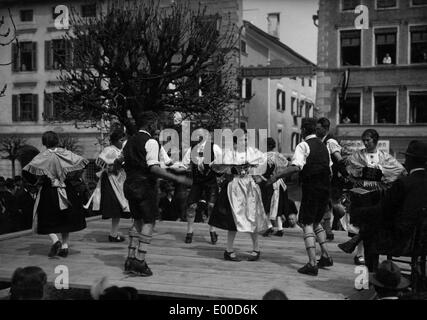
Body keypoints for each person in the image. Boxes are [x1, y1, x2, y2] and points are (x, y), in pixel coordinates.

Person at [120, 111, 190, 277]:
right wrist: (176, 178)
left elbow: (119, 161)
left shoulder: (128, 141)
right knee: (149, 221)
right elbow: (153, 167)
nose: (159, 129)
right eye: (157, 125)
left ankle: (130, 259)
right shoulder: (151, 141)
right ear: (150, 124)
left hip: (129, 184)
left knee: (137, 220)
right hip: (145, 186)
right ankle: (140, 261)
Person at [267, 118, 333, 276]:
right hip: (325, 188)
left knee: (306, 223)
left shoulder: (303, 145)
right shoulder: (324, 146)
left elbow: (296, 167)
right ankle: (326, 256)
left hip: (311, 188)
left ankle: (312, 263)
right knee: (317, 222)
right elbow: (329, 169)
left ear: (303, 131)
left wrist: (277, 175)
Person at [351, 140, 427, 272]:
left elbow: (383, 209)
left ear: (410, 160)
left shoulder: (404, 183)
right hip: (423, 240)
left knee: (370, 229)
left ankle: (372, 275)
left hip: (403, 241)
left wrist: (359, 212)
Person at [338, 129, 406, 268]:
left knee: (373, 225)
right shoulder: (358, 155)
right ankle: (360, 254)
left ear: (375, 140)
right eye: (364, 140)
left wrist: (381, 171)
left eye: (368, 140)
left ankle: (369, 253)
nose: (365, 142)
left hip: (377, 193)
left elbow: (399, 169)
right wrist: (357, 176)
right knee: (362, 223)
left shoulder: (384, 157)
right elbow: (347, 168)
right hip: (361, 192)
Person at [23, 131, 88, 258]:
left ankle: (55, 240)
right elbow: (82, 163)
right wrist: (71, 176)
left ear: (44, 143)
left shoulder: (42, 156)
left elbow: (27, 170)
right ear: (57, 140)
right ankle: (64, 246)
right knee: (65, 218)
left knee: (45, 218)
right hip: (66, 188)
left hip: (49, 190)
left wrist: (36, 181)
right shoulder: (65, 153)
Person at [209, 134, 270, 262]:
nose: (246, 142)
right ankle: (229, 250)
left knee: (252, 216)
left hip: (249, 186)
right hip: (235, 186)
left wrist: (257, 173)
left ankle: (256, 249)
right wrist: (230, 169)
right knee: (233, 218)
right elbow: (215, 166)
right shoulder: (229, 153)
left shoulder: (252, 152)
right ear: (235, 142)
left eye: (247, 140)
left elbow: (265, 161)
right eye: (243, 140)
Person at [86, 129, 130, 242]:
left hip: (121, 181)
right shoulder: (109, 150)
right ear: (115, 141)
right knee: (116, 207)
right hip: (110, 181)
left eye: (124, 140)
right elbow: (99, 162)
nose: (123, 142)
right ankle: (114, 234)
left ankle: (114, 234)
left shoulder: (124, 150)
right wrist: (112, 166)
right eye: (121, 140)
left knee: (120, 208)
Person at [182, 133, 221, 244]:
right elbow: (184, 165)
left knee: (211, 206)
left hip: (210, 181)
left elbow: (221, 161)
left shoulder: (214, 147)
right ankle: (189, 232)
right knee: (191, 205)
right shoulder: (192, 149)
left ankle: (212, 231)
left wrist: (214, 167)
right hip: (197, 182)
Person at [316, 117, 349, 241]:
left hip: (332, 179)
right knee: (325, 203)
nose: (316, 131)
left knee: (332, 204)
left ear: (325, 129)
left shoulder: (330, 141)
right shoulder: (322, 141)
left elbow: (338, 158)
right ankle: (328, 229)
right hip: (326, 178)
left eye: (319, 129)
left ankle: (337, 220)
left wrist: (345, 175)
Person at [261, 137, 289, 237]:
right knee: (277, 206)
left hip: (269, 183)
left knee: (265, 205)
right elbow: (287, 164)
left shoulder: (263, 156)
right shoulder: (279, 155)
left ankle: (269, 226)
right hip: (280, 183)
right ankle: (280, 229)